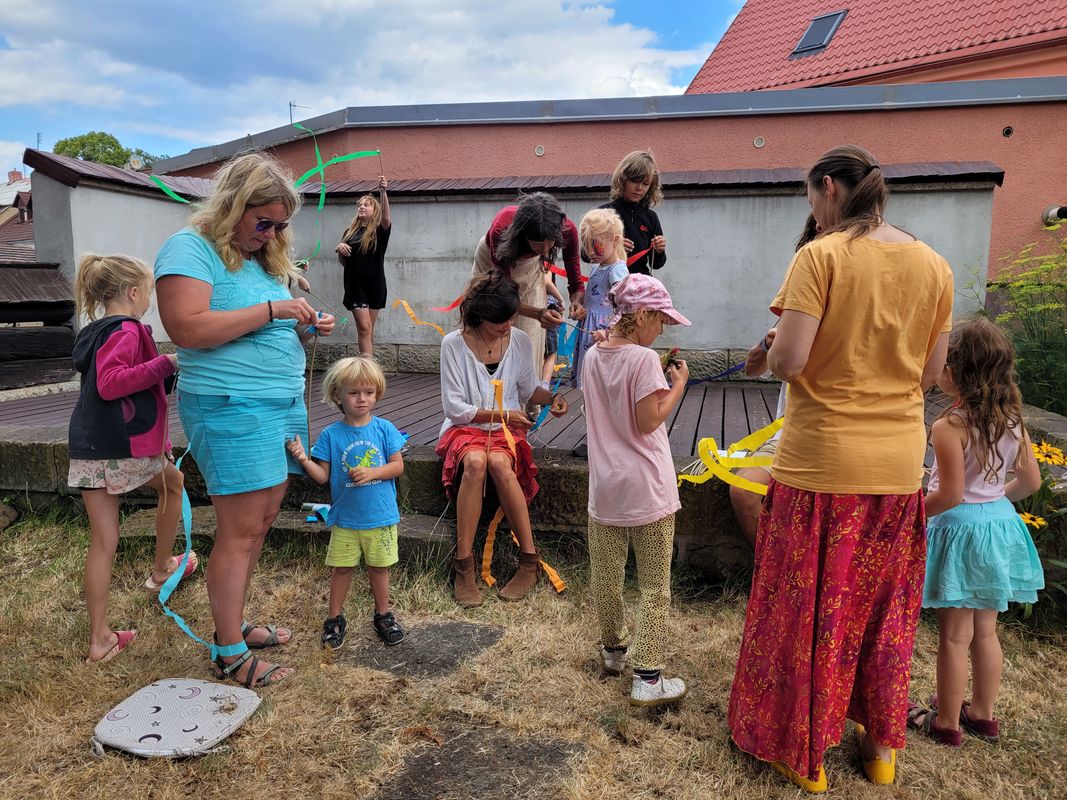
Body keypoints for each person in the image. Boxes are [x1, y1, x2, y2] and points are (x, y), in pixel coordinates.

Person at [727, 145, 954, 792]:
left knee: (807, 615)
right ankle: (881, 749)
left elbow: (793, 362)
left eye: (811, 202)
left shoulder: (819, 256)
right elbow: (932, 375)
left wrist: (775, 350)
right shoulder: (933, 264)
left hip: (820, 465)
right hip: (896, 467)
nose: (814, 214)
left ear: (828, 189)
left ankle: (801, 755)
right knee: (880, 615)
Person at [155, 152, 336, 689]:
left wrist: (305, 328)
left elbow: (261, 327)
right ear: (232, 205)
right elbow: (187, 328)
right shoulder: (189, 250)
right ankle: (230, 653)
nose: (273, 233)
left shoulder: (260, 259)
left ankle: (233, 627)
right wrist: (274, 311)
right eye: (265, 222)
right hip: (232, 406)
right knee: (239, 529)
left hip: (276, 406)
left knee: (259, 522)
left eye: (281, 225)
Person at [907, 318, 1043, 746]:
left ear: (956, 372)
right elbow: (1031, 483)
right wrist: (992, 498)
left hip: (960, 531)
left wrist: (911, 517)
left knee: (954, 634)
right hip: (999, 526)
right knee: (986, 630)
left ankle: (945, 722)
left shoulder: (948, 427)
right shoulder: (1013, 420)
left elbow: (947, 495)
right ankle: (982, 714)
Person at [68, 254, 195, 663]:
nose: (150, 304)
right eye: (150, 294)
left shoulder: (95, 331)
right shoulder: (127, 328)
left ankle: (99, 640)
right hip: (119, 448)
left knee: (103, 541)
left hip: (88, 446)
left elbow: (117, 396)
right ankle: (161, 570)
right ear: (133, 292)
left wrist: (156, 439)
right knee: (173, 484)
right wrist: (167, 362)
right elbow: (111, 385)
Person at [581, 272, 692, 707]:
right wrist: (677, 384)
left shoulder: (592, 355)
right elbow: (649, 420)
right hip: (647, 487)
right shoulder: (645, 361)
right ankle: (648, 676)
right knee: (653, 586)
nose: (662, 328)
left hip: (605, 486)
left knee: (607, 579)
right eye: (660, 318)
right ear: (641, 314)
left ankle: (613, 650)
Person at [436, 271, 569, 608]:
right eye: (500, 321)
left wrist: (551, 398)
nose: (508, 326)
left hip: (504, 431)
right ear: (479, 315)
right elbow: (454, 407)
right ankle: (464, 565)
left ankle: (529, 560)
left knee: (497, 460)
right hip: (466, 427)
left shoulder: (520, 342)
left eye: (512, 318)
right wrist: (502, 416)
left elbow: (528, 390)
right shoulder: (453, 344)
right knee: (477, 462)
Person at [287, 356, 407, 649]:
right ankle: (334, 618)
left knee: (379, 568)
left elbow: (397, 466)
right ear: (337, 395)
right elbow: (321, 476)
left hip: (380, 517)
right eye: (354, 393)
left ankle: (383, 614)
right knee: (341, 569)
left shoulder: (384, 429)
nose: (362, 399)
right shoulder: (331, 435)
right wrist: (303, 458)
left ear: (377, 393)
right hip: (345, 519)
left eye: (368, 392)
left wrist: (373, 472)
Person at [729, 215, 820, 545]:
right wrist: (767, 344)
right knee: (743, 492)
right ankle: (769, 576)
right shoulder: (799, 305)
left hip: (835, 435)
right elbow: (753, 369)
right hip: (792, 429)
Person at [474, 193, 587, 368]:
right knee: (491, 320)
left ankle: (527, 390)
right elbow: (503, 295)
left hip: (531, 265)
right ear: (522, 234)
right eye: (538, 244)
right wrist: (538, 313)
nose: (545, 250)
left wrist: (577, 301)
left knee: (528, 333)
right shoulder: (502, 228)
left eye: (551, 243)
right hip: (494, 259)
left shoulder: (566, 229)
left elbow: (575, 278)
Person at [571, 208, 629, 389]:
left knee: (603, 383)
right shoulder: (599, 266)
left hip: (603, 336)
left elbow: (627, 307)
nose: (590, 252)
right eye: (586, 245)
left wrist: (609, 332)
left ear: (615, 240)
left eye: (595, 245)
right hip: (591, 332)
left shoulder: (617, 271)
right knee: (595, 385)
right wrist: (581, 309)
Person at [336, 176, 391, 356]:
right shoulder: (350, 232)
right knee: (364, 327)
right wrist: (340, 248)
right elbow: (345, 263)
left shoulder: (379, 231)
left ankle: (369, 367)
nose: (362, 207)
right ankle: (366, 368)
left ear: (374, 210)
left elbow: (386, 218)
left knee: (369, 330)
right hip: (355, 285)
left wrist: (383, 192)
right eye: (360, 204)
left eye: (367, 204)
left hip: (375, 284)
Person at [599, 151, 667, 275]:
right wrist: (611, 248)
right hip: (609, 283)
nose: (639, 188)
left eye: (645, 183)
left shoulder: (651, 217)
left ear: (651, 186)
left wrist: (660, 250)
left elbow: (657, 264)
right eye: (635, 181)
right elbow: (585, 254)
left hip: (640, 286)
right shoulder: (604, 214)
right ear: (623, 178)